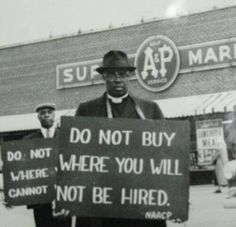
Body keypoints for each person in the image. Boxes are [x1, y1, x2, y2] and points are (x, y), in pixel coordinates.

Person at [75, 50, 166, 227]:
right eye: (111, 74)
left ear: (129, 77)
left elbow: (165, 153)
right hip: (101, 201)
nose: (117, 79)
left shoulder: (150, 110)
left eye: (123, 74)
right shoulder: (87, 110)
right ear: (104, 77)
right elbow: (76, 156)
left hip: (140, 200)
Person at [24, 103, 71, 227]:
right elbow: (23, 170)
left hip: (64, 199)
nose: (46, 115)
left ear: (54, 115)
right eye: (42, 113)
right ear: (38, 117)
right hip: (41, 202)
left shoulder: (67, 137)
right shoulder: (28, 141)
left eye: (49, 112)